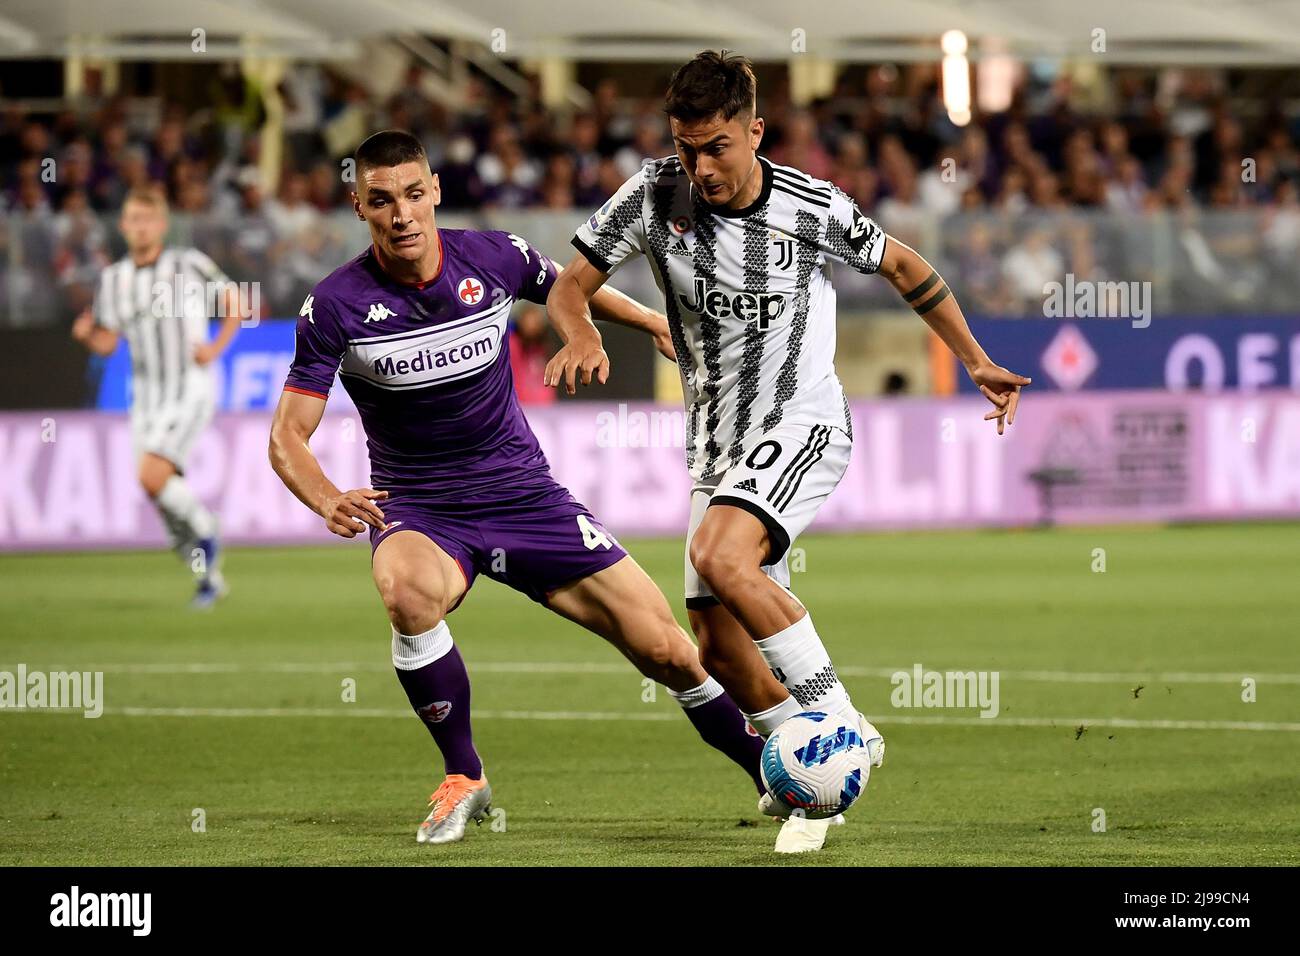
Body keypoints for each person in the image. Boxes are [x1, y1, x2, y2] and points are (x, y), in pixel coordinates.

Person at [546, 51, 1032, 852]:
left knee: (724, 557)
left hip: (803, 421)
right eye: (685, 147)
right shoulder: (653, 194)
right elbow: (572, 283)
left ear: (755, 132)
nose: (700, 167)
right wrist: (580, 328)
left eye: (717, 147)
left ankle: (840, 728)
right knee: (718, 648)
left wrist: (975, 358)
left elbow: (906, 266)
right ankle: (808, 782)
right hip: (715, 442)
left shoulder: (810, 205)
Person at [268, 130, 773, 846]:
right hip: (421, 509)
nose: (402, 214)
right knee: (405, 592)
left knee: (669, 651)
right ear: (359, 206)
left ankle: (765, 768)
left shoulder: (493, 256)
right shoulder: (336, 307)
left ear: (435, 190)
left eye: (414, 194)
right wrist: (327, 497)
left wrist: (650, 321)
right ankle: (464, 773)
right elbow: (287, 436)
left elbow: (568, 285)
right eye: (381, 201)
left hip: (524, 497)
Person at [72, 185, 242, 607]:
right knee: (159, 495)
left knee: (150, 475)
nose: (140, 227)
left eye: (148, 219)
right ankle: (208, 576)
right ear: (124, 226)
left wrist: (214, 349)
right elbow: (110, 343)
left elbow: (235, 302)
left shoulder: (188, 263)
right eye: (133, 219)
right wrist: (87, 335)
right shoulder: (114, 280)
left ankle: (207, 525)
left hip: (190, 386)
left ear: (162, 225)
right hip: (146, 396)